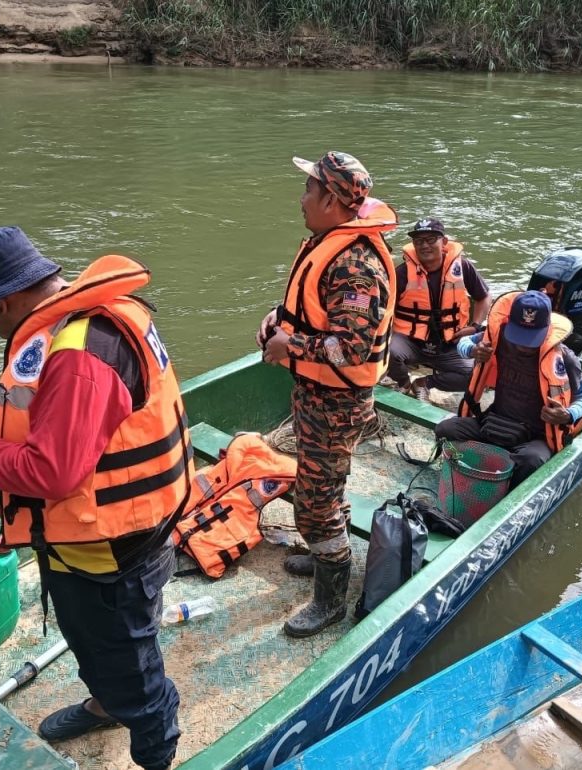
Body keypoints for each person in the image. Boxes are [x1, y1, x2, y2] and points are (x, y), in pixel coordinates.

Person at [0, 226, 190, 770]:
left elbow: (52, 473)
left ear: (1, 302)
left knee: (131, 662)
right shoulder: (86, 323)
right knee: (94, 643)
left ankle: (155, 749)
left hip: (113, 556)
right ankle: (107, 703)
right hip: (93, 540)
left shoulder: (79, 352)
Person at [255, 151, 397, 638]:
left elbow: (353, 347)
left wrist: (287, 345)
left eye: (309, 191)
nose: (302, 199)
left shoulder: (356, 265)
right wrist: (279, 320)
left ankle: (331, 598)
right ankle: (323, 558)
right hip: (316, 394)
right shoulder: (329, 245)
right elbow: (315, 311)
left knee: (314, 503)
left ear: (333, 200)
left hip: (337, 403)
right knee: (322, 485)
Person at [434, 290, 582, 486]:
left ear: (547, 329)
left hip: (535, 435)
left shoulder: (564, 357)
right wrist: (472, 351)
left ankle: (506, 494)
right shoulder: (498, 337)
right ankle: (467, 475)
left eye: (532, 338)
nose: (525, 346)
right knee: (445, 429)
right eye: (520, 336)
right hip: (494, 422)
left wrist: (568, 415)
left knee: (532, 461)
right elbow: (464, 342)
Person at [387, 217, 491, 398]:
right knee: (385, 350)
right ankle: (404, 383)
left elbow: (483, 297)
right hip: (412, 342)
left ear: (443, 242)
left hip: (450, 343)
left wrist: (474, 326)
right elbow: (386, 308)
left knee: (478, 375)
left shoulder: (463, 267)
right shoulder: (402, 272)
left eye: (430, 239)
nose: (424, 246)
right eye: (419, 241)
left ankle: (424, 383)